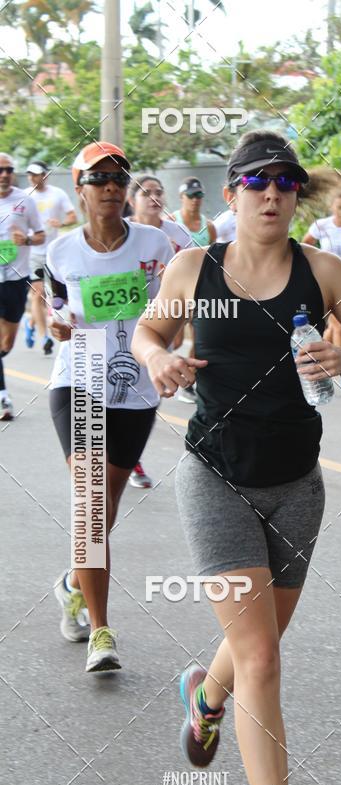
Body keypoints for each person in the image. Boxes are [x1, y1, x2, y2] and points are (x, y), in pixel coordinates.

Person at [131, 130, 341, 785]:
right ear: (232, 194)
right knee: (263, 658)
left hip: (297, 484)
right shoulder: (195, 269)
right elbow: (149, 329)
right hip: (216, 475)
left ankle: (204, 695)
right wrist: (160, 358)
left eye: (285, 182)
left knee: (254, 650)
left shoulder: (323, 271)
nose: (273, 194)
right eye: (257, 182)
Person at [47, 142, 173, 671]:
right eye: (98, 179)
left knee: (106, 509)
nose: (111, 188)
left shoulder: (155, 243)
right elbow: (54, 307)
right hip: (79, 374)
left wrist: (169, 349)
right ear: (80, 189)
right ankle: (101, 630)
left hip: (135, 385)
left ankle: (74, 580)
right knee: (91, 505)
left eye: (120, 178)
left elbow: (175, 304)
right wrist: (55, 324)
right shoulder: (60, 252)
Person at [126, 174, 193, 485]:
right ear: (132, 200)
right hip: (119, 323)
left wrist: (181, 320)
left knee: (148, 395)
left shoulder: (176, 234)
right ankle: (126, 458)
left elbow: (196, 277)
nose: (153, 197)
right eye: (145, 192)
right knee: (116, 392)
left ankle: (130, 455)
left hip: (159, 325)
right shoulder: (121, 232)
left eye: (158, 191)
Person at [302, 190, 341, 393]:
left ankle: (314, 361)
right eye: (340, 208)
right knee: (339, 327)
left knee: (332, 329)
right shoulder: (321, 226)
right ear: (332, 207)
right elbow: (305, 245)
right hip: (326, 283)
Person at [0, 152, 45, 421]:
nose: (4, 174)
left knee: (5, 344)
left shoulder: (24, 201)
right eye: (0, 170)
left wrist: (26, 240)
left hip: (16, 279)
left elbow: (40, 235)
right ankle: (3, 397)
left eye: (9, 170)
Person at [24, 160, 77, 355]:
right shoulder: (25, 196)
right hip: (32, 253)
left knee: (49, 297)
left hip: (53, 253)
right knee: (38, 294)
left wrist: (61, 223)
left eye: (35, 174)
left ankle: (31, 323)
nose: (31, 178)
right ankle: (44, 337)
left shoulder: (57, 194)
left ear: (45, 175)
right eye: (29, 174)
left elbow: (73, 217)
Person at [170, 176, 216, 246]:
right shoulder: (171, 221)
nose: (195, 199)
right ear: (181, 196)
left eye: (199, 195)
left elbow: (214, 254)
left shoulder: (209, 226)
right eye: (190, 195)